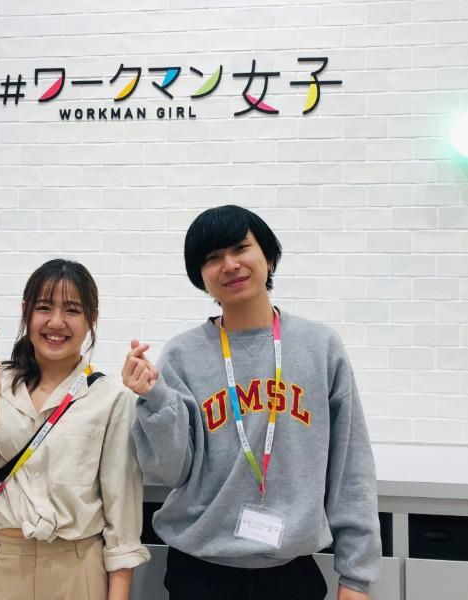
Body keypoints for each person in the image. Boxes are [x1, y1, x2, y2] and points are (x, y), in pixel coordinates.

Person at [122, 205, 381, 600]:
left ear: (269, 257)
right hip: (200, 570)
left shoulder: (320, 348)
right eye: (213, 258)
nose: (230, 265)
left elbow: (351, 467)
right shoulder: (182, 356)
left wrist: (356, 577)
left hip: (289, 571)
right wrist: (154, 398)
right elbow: (172, 470)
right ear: (201, 277)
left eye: (241, 248)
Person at [0, 258, 149, 600]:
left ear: (92, 317)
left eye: (72, 310)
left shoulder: (110, 397)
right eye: (44, 307)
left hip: (77, 568)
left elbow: (122, 518)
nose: (57, 322)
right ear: (26, 311)